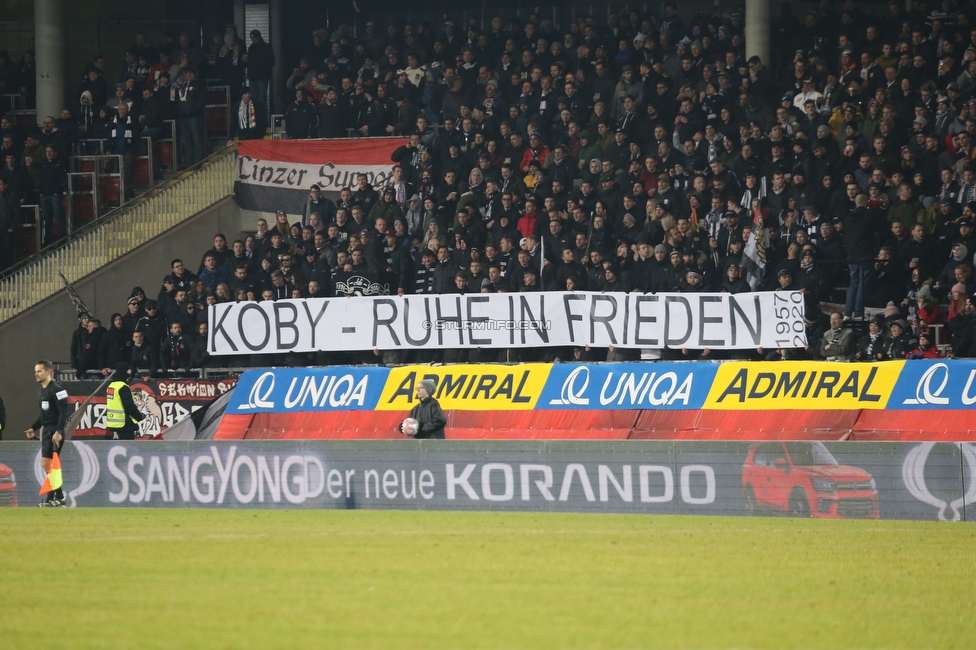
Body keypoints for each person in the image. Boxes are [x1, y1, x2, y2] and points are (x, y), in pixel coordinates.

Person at [25, 360, 69, 506]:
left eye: (39, 371)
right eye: (35, 371)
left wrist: (59, 431)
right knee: (47, 465)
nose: (36, 374)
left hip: (55, 431)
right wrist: (34, 427)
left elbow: (64, 413)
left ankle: (56, 497)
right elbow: (44, 414)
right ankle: (55, 497)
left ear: (48, 372)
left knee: (49, 463)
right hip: (47, 431)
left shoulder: (57, 389)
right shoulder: (43, 390)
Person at [105, 362, 145, 440]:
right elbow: (129, 406)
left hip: (113, 422)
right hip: (124, 424)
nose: (129, 372)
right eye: (128, 370)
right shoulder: (123, 387)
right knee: (128, 449)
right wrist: (139, 417)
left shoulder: (111, 386)